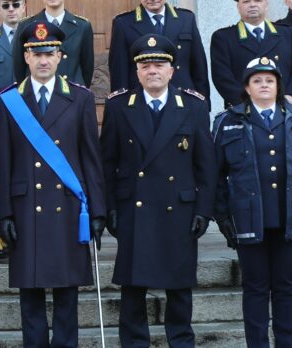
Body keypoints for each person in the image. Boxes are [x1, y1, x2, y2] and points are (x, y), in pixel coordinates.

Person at [0, 22, 106, 348]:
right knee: (31, 297)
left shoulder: (81, 98)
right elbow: (4, 163)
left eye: (49, 53)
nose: (43, 60)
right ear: (26, 57)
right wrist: (4, 215)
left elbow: (90, 158)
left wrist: (97, 211)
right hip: (26, 209)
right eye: (36, 53)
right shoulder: (8, 100)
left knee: (67, 295)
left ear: (60, 56)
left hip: (69, 208)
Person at [98, 34, 215, 348]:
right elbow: (107, 163)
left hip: (179, 209)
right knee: (133, 291)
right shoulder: (120, 106)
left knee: (179, 291)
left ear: (172, 69)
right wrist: (109, 206)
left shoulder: (193, 106)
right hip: (134, 211)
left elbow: (206, 165)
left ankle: (181, 342)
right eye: (146, 64)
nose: (153, 70)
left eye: (159, 64)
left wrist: (204, 210)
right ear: (136, 71)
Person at [213, 58, 292, 348]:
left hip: (291, 217)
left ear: (278, 86)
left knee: (286, 288)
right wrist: (223, 216)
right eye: (257, 81)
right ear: (247, 88)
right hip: (249, 219)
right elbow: (215, 175)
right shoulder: (228, 121)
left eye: (269, 80)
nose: (264, 85)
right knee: (255, 289)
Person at [107, 0, 210, 98]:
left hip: (183, 100)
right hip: (140, 101)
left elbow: (199, 67)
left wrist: (203, 104)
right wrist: (121, 108)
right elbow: (119, 71)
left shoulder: (186, 19)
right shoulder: (124, 23)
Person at [210, 0, 292, 108]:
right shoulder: (223, 38)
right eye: (246, 1)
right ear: (238, 6)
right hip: (243, 111)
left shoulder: (287, 33)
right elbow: (222, 78)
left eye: (258, 0)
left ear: (266, 4)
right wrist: (247, 104)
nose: (252, 5)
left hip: (284, 109)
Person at [12, 0, 95, 87]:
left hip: (71, 94)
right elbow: (19, 67)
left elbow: (87, 69)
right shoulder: (26, 25)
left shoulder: (82, 26)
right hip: (38, 93)